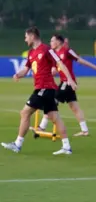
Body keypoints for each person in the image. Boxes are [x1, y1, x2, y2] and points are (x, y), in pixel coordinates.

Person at [1, 27, 76, 155]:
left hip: (45, 88)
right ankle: (66, 146)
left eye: (26, 37)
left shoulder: (47, 50)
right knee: (54, 117)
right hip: (43, 88)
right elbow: (25, 70)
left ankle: (17, 144)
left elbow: (60, 63)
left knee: (25, 112)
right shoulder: (31, 53)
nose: (25, 40)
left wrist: (70, 80)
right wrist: (18, 74)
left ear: (32, 36)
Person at [31, 34, 96, 136]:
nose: (50, 43)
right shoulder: (54, 54)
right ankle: (85, 130)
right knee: (74, 107)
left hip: (68, 82)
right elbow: (55, 70)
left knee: (51, 102)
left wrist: (95, 67)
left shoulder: (67, 50)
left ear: (58, 42)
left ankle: (41, 127)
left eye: (52, 41)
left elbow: (79, 59)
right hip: (63, 82)